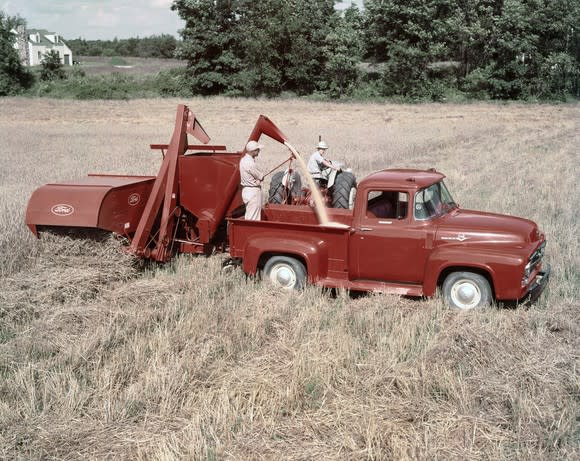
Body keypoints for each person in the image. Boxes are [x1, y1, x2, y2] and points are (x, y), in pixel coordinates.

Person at [240, 140, 264, 220]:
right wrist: (259, 179)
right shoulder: (251, 163)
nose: (259, 151)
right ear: (253, 151)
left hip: (246, 191)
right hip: (253, 192)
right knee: (254, 218)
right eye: (258, 149)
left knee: (249, 215)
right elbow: (261, 176)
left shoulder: (243, 160)